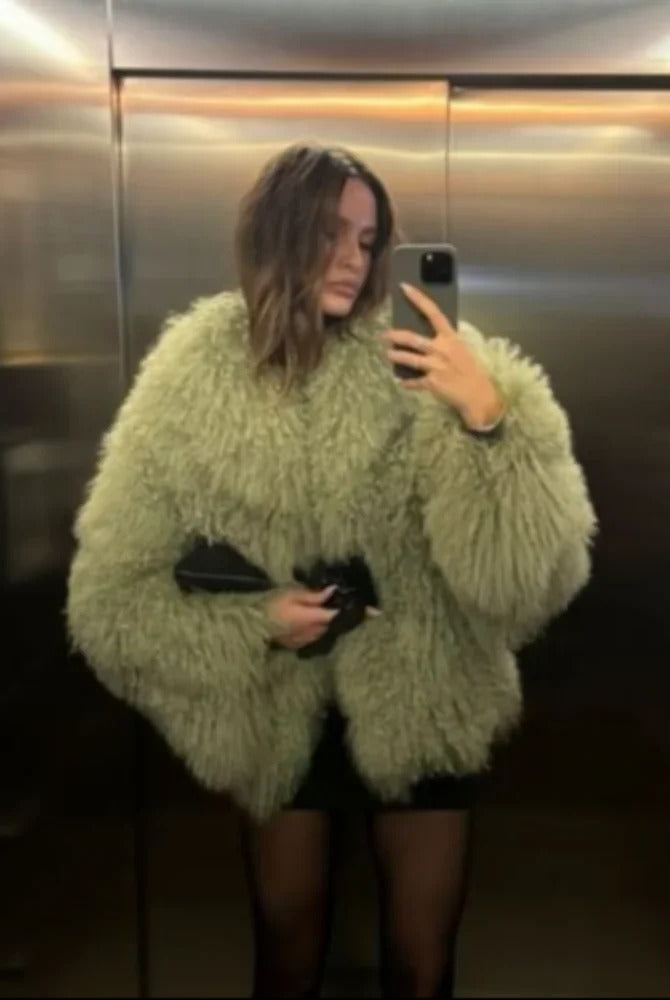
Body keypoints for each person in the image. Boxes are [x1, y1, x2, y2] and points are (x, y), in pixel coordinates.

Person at [66, 144, 597, 998]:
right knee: (284, 954)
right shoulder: (194, 373)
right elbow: (108, 599)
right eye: (329, 234)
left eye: (368, 239)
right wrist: (257, 624)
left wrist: (489, 421)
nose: (353, 258)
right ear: (276, 233)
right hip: (280, 713)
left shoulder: (442, 363)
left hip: (427, 693)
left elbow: (536, 581)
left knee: (422, 967)